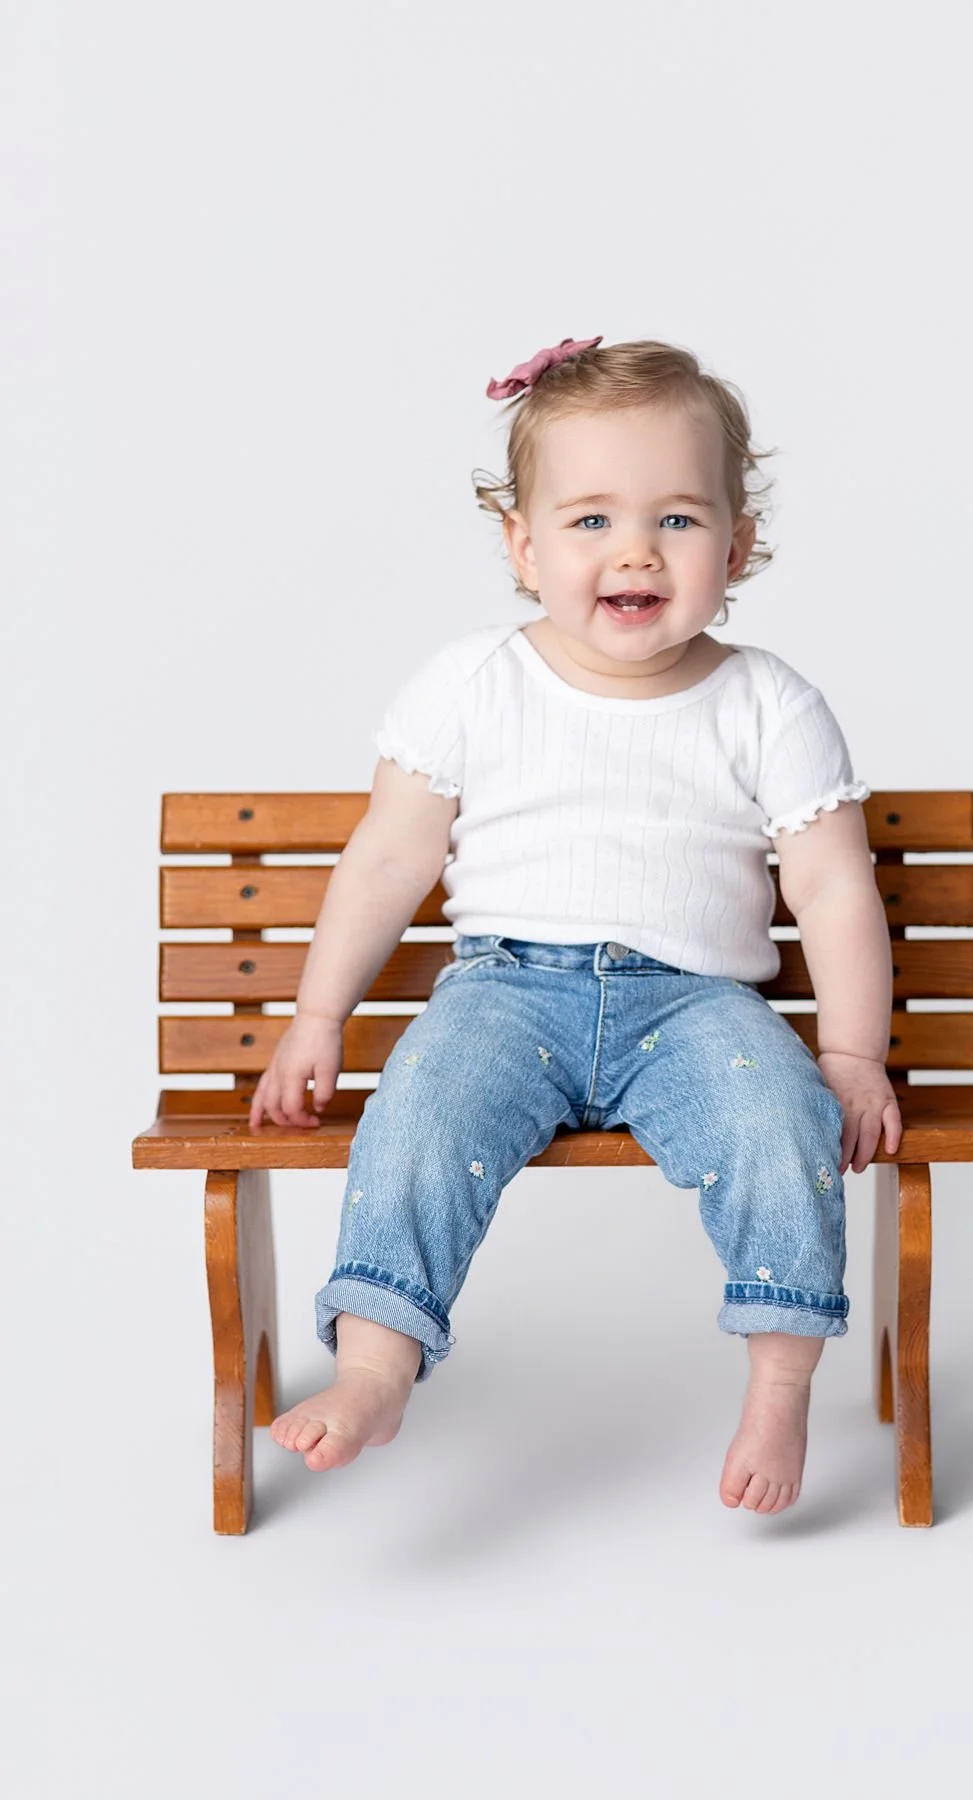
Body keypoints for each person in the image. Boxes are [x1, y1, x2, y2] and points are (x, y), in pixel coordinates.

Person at [249, 335, 903, 1515]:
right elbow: (392, 855)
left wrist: (851, 1055)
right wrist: (316, 1012)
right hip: (507, 991)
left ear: (738, 547)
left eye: (680, 520)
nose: (636, 550)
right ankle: (374, 1366)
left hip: (696, 1006)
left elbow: (835, 889)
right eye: (591, 520)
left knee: (779, 1114)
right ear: (524, 544)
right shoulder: (471, 684)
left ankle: (782, 1378)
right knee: (423, 1107)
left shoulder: (768, 702)